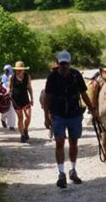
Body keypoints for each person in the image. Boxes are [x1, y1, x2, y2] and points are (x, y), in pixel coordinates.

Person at [43, 50, 98, 189]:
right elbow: (47, 97)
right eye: (61, 64)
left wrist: (92, 108)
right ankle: (61, 174)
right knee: (59, 142)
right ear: (58, 63)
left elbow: (83, 93)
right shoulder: (52, 77)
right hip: (58, 114)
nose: (64, 66)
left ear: (69, 63)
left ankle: (72, 170)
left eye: (66, 63)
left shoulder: (76, 75)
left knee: (74, 142)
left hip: (74, 113)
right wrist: (46, 116)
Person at [8, 61, 34, 143]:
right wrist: (7, 93)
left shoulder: (27, 76)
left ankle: (25, 129)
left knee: (28, 117)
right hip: (16, 100)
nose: (18, 71)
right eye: (17, 70)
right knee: (20, 118)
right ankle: (22, 135)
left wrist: (32, 98)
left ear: (23, 70)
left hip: (26, 99)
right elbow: (9, 88)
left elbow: (29, 87)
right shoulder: (12, 77)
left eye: (20, 70)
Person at [0, 65, 16, 131]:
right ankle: (3, 120)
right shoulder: (1, 78)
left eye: (7, 70)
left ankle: (11, 126)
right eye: (5, 70)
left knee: (12, 109)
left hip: (12, 95)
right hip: (3, 95)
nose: (6, 71)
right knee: (4, 109)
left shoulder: (14, 77)